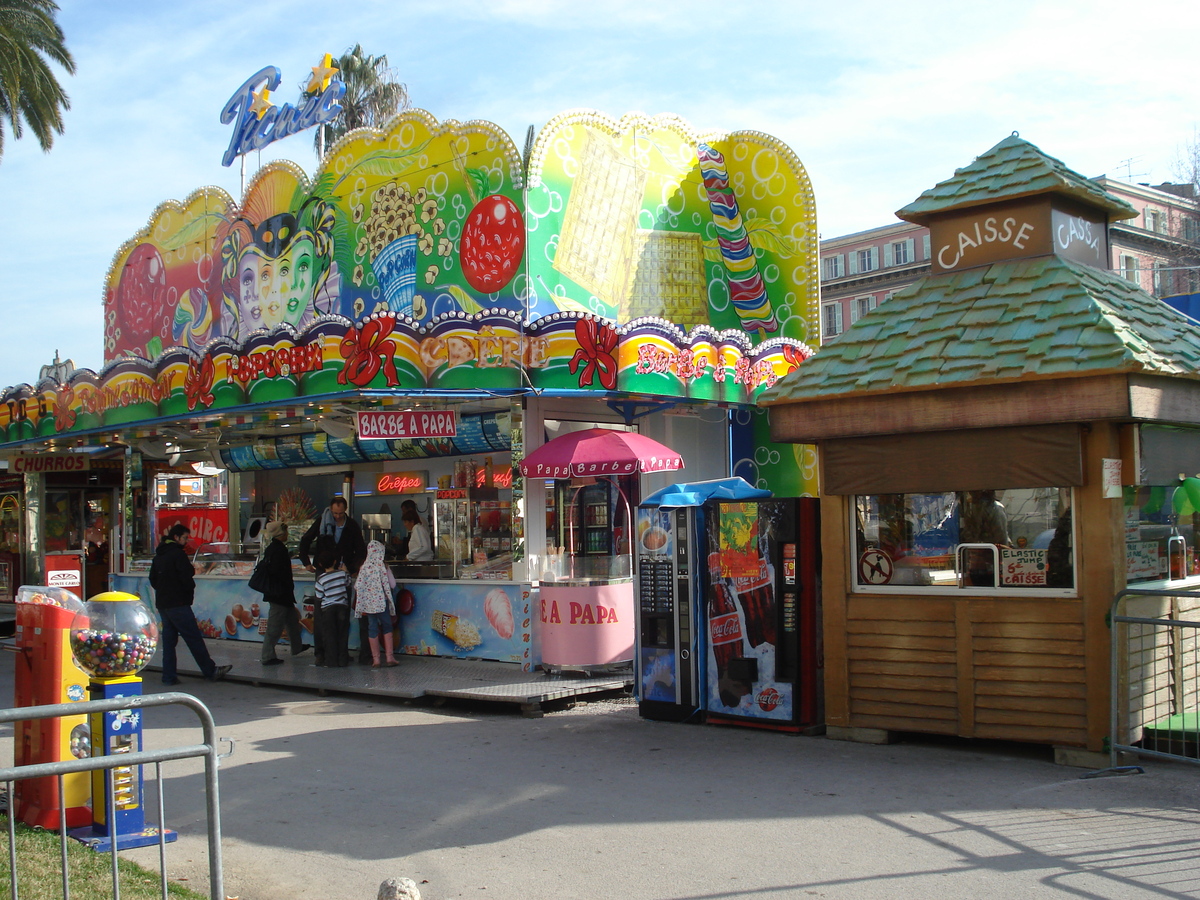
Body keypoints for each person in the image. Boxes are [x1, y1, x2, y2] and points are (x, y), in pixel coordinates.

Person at [149, 523, 231, 684]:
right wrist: (186, 590)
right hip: (178, 603)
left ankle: (169, 676)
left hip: (163, 603)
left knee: (169, 642)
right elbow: (187, 575)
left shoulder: (159, 555)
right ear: (176, 537)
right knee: (193, 638)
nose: (186, 541)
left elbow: (153, 579)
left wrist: (164, 590)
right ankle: (210, 670)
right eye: (185, 538)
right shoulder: (177, 555)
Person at [258, 520, 308, 666]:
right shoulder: (278, 550)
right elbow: (279, 573)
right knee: (275, 626)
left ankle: (297, 647)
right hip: (279, 595)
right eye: (285, 531)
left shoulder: (273, 548)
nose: (287, 534)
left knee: (292, 622)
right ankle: (267, 656)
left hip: (281, 594)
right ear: (281, 534)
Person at [353, 540, 397, 668]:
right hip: (382, 604)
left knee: (372, 629)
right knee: (387, 626)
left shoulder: (364, 567)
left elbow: (357, 586)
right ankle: (389, 657)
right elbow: (393, 584)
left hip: (369, 606)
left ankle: (376, 660)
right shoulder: (383, 567)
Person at [298, 496, 367, 575]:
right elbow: (306, 539)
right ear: (331, 509)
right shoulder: (322, 522)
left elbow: (360, 548)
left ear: (345, 509)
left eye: (341, 513)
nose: (338, 516)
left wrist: (354, 567)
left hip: (344, 567)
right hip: (324, 566)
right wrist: (306, 562)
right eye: (335, 513)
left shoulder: (352, 525)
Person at [313, 547, 351, 667]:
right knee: (342, 634)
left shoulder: (321, 579)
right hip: (342, 607)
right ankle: (343, 660)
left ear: (320, 564)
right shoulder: (342, 574)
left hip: (328, 609)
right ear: (335, 561)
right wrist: (346, 571)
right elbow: (349, 584)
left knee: (330, 635)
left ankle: (331, 661)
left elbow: (319, 596)